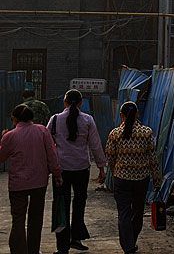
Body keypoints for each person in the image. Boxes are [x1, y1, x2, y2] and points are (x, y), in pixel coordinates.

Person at [48, 89, 108, 254]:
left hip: (61, 170)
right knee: (79, 203)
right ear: (81, 103)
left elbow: (47, 145)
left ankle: (62, 246)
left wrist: (48, 167)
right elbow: (95, 145)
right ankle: (76, 238)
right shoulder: (88, 120)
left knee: (61, 205)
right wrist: (101, 168)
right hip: (82, 168)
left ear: (64, 102)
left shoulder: (54, 120)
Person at [0, 104, 62, 254]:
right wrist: (57, 173)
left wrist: (3, 138)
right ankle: (33, 250)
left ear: (14, 119)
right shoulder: (42, 131)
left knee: (18, 219)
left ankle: (19, 250)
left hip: (17, 184)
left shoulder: (10, 136)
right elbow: (52, 155)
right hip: (39, 182)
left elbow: (1, 157)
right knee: (35, 218)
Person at [106, 102, 162, 254]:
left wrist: (114, 171)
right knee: (137, 212)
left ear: (121, 115)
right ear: (137, 114)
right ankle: (131, 241)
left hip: (121, 179)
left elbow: (110, 157)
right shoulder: (146, 132)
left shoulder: (115, 134)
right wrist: (157, 179)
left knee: (123, 213)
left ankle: (128, 245)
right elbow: (152, 158)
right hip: (141, 180)